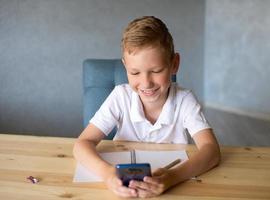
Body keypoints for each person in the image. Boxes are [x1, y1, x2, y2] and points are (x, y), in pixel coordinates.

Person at [73, 16, 220, 198]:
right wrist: (108, 174)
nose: (146, 83)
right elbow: (81, 144)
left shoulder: (185, 100)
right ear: (125, 67)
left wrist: (172, 177)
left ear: (174, 64)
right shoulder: (120, 96)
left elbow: (211, 150)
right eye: (134, 72)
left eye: (156, 71)